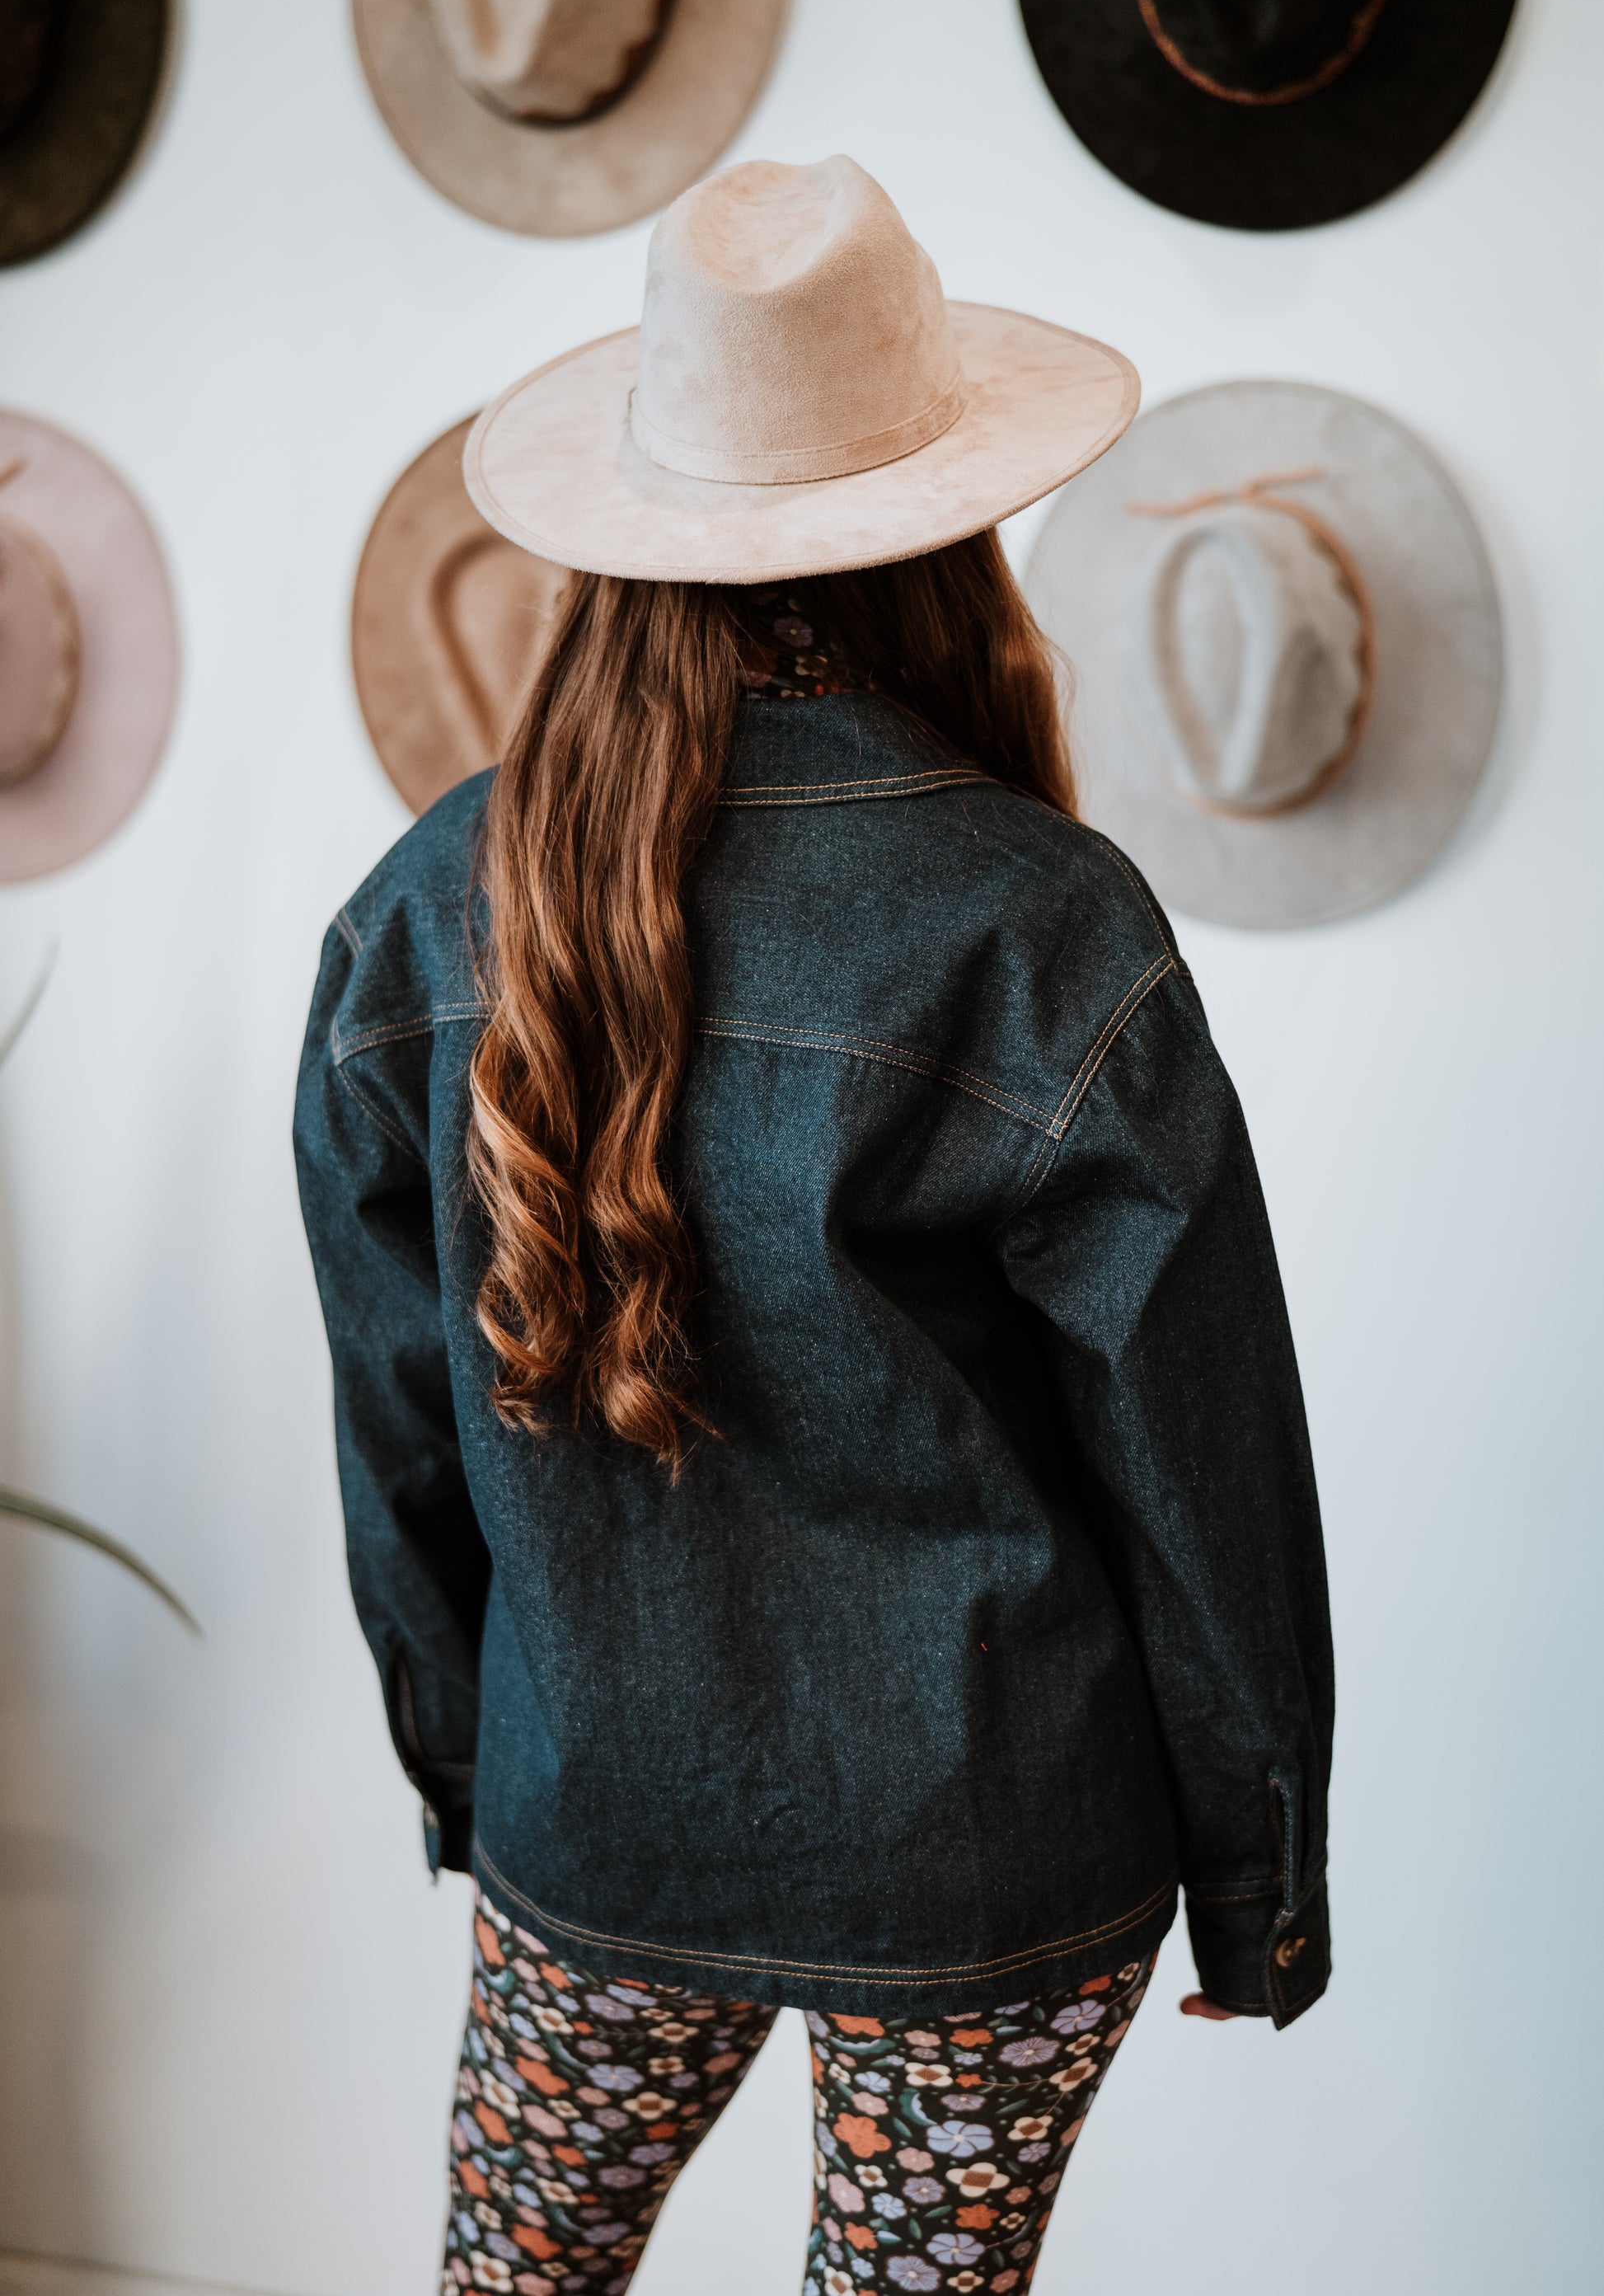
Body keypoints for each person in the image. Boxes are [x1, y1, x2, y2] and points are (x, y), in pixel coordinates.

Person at [295, 157, 1333, 2296]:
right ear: (952, 530)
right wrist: (1257, 1876)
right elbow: (1200, 1466)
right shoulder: (1047, 928)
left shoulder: (429, 903)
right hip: (992, 1851)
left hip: (600, 1821)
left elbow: (402, 1426)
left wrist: (484, 1781)